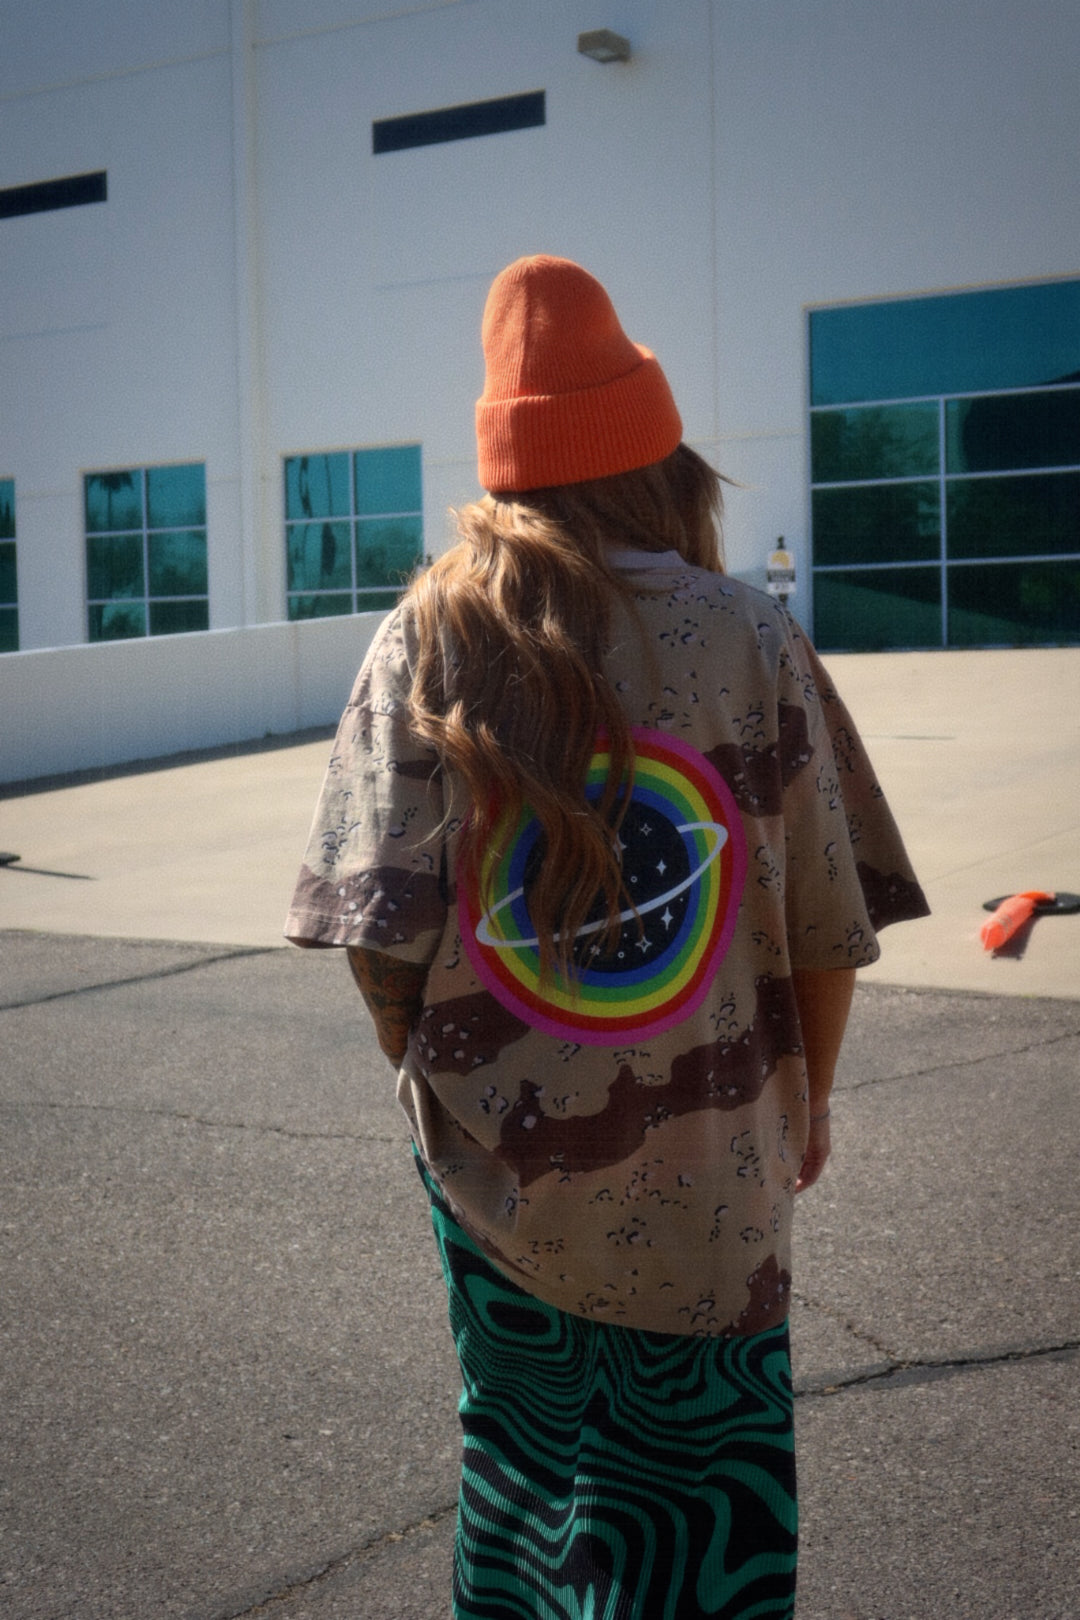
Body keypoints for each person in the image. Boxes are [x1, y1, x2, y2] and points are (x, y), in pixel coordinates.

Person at [285, 254, 928, 1620]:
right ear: (661, 463)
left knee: (522, 1467)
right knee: (704, 1496)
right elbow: (824, 922)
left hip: (496, 1172)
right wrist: (806, 1101)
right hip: (712, 1177)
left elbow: (373, 933)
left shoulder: (425, 636)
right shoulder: (748, 636)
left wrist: (430, 1070)